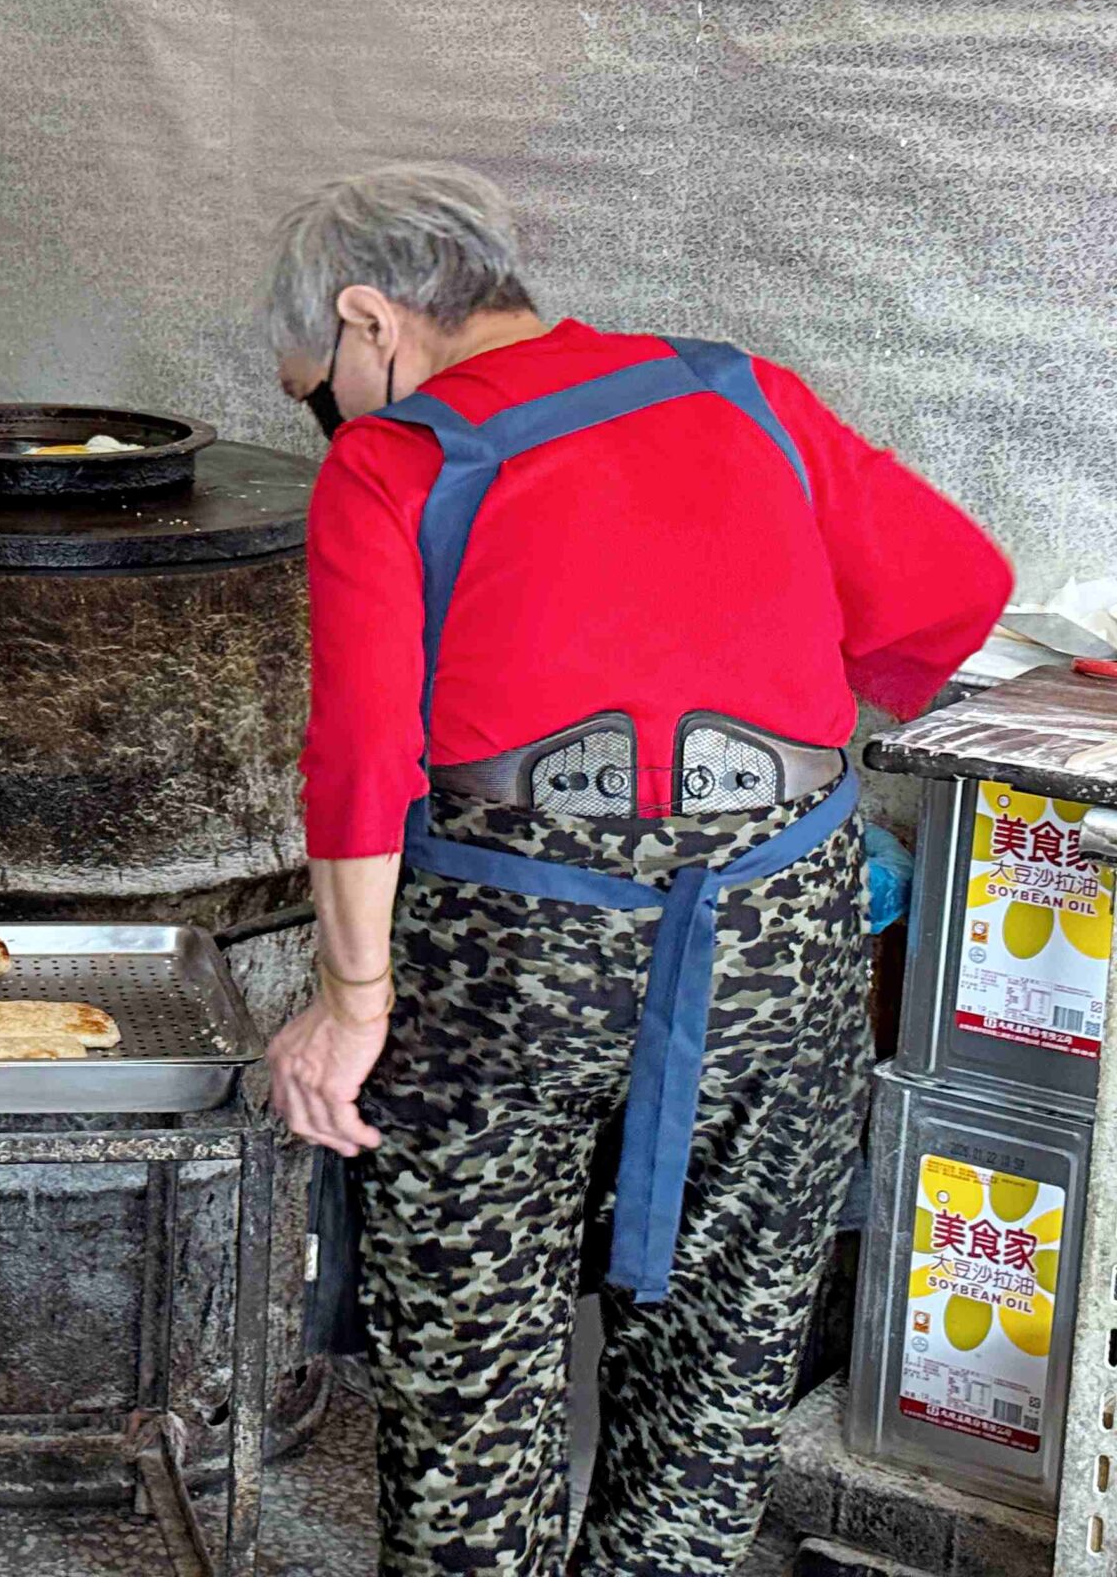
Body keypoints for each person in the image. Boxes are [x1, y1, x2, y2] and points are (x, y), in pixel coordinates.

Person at [257, 164, 1010, 1575]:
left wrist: (352, 1005)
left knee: (472, 1367)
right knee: (725, 1360)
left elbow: (362, 756)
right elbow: (956, 589)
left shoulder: (399, 460)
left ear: (372, 320)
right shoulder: (743, 392)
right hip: (780, 922)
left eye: (322, 390)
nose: (336, 422)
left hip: (510, 951)